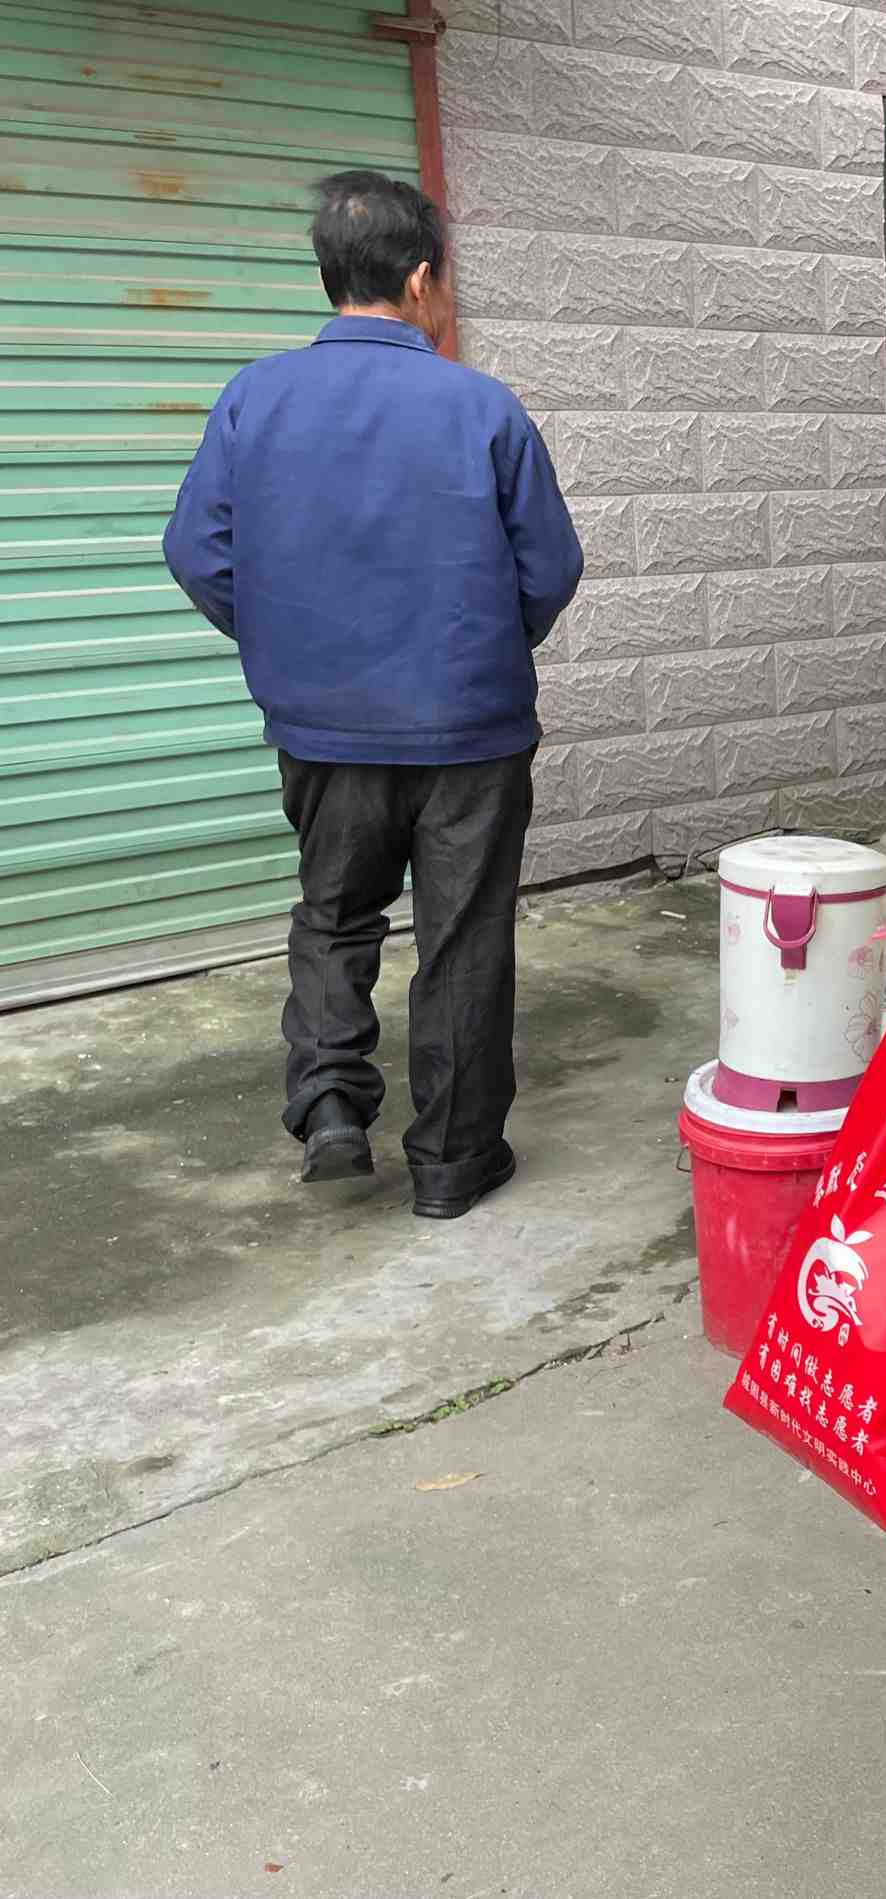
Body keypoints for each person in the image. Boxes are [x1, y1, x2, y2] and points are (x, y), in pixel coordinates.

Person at [162, 172, 582, 1218]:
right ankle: (452, 1163)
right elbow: (552, 567)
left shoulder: (254, 397)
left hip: (324, 728)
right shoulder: (482, 406)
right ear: (423, 277)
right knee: (463, 936)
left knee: (335, 915)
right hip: (470, 730)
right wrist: (488, 647)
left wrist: (291, 647)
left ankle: (331, 1108)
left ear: (328, 276)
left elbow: (197, 552)